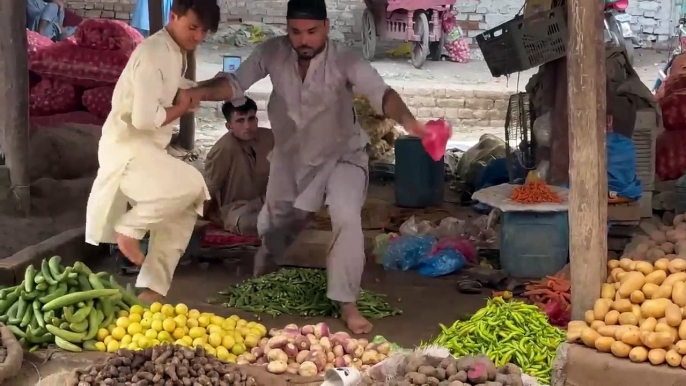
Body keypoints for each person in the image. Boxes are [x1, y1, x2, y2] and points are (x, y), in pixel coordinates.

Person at [189, 0, 427, 334]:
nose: (303, 40)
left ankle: (348, 303)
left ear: (326, 28)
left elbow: (381, 93)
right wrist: (197, 92)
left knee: (345, 218)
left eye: (312, 32)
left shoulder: (344, 59)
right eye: (296, 32)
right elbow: (235, 83)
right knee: (273, 227)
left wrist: (412, 123)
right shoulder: (272, 51)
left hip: (342, 156)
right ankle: (262, 275)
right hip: (292, 160)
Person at [85, 0, 220, 304]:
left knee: (185, 208)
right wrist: (182, 107)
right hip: (127, 149)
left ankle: (152, 291)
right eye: (193, 27)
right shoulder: (153, 53)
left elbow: (170, 89)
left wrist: (188, 93)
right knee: (192, 183)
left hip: (148, 150)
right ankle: (129, 229)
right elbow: (144, 119)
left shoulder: (175, 52)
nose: (198, 36)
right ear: (174, 16)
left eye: (204, 31)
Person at [204, 98, 274, 236]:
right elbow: (209, 188)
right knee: (254, 224)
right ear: (229, 126)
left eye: (251, 119)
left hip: (266, 202)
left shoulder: (270, 138)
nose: (247, 126)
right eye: (240, 121)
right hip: (237, 210)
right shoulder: (223, 149)